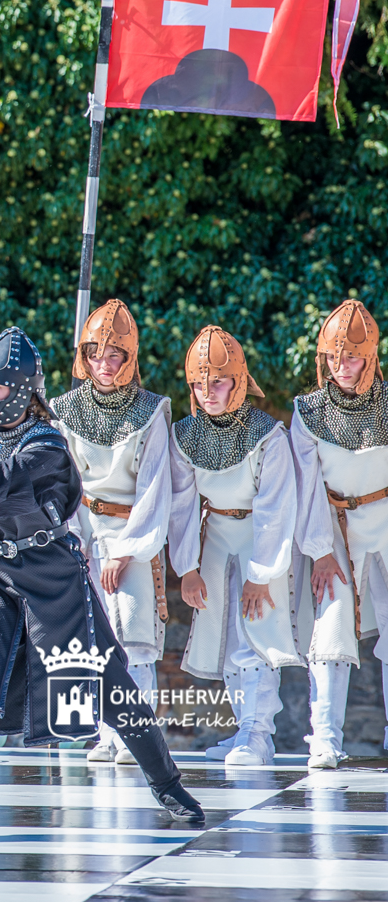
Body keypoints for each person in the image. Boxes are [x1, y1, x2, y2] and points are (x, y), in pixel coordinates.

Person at [0, 327, 204, 828]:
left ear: (19, 390)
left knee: (111, 686)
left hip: (53, 577)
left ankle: (169, 786)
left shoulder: (47, 444)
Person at [168, 325, 303, 767]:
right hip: (215, 538)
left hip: (257, 538)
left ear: (238, 381)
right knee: (222, 638)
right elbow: (183, 505)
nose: (208, 392)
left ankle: (258, 733)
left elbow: (275, 507)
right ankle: (243, 726)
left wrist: (261, 574)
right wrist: (187, 567)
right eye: (199, 384)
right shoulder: (186, 435)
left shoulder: (268, 435)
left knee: (256, 636)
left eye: (219, 382)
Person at [49, 300, 172, 765]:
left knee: (134, 637)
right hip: (84, 533)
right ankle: (107, 732)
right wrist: (73, 541)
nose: (104, 364)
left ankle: (138, 733)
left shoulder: (151, 412)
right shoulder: (65, 410)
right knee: (92, 637)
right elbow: (62, 482)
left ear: (129, 359)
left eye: (114, 355)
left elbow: (155, 486)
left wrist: (126, 551)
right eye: (95, 354)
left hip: (131, 535)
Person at [291, 300, 387, 768]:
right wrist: (320, 549)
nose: (341, 367)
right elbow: (306, 489)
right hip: (337, 526)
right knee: (330, 628)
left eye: (350, 357)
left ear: (369, 357)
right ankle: (324, 738)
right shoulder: (308, 411)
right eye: (333, 358)